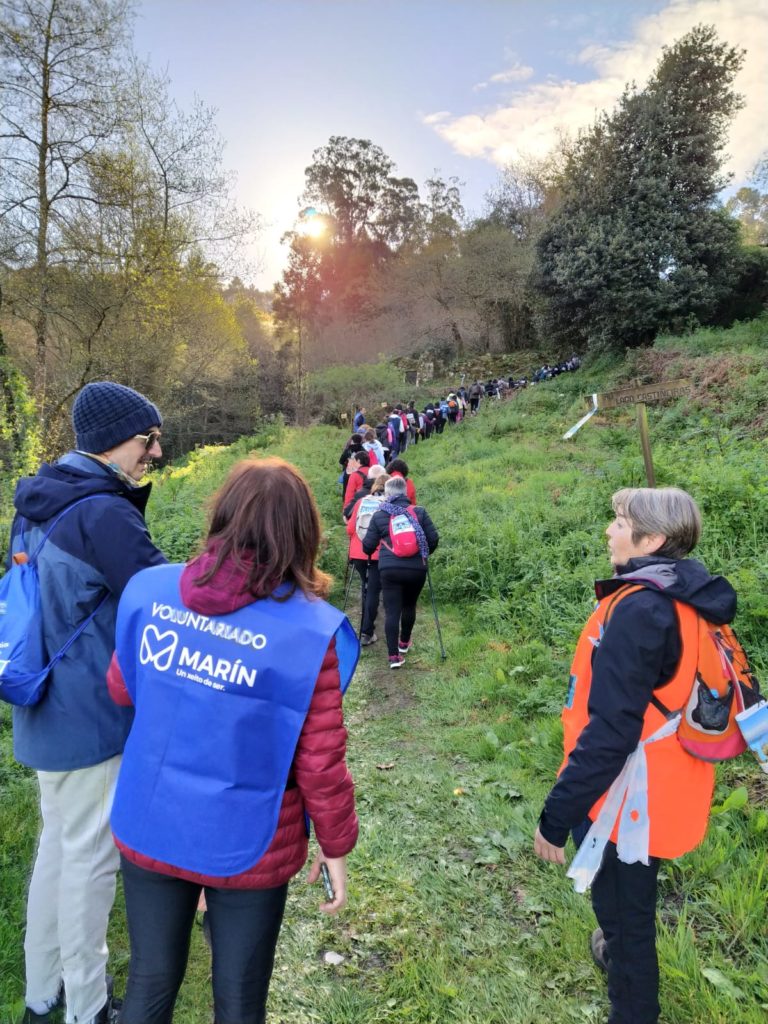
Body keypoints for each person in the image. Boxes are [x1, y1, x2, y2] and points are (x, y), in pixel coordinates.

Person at [107, 457, 359, 1024]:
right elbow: (320, 762)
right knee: (240, 1001)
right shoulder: (308, 633)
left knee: (148, 980)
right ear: (303, 534)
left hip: (154, 820)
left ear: (222, 515)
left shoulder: (149, 592)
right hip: (252, 840)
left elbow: (122, 688)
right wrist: (336, 846)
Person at [533, 487, 737, 1024]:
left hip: (629, 801)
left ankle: (633, 1003)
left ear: (653, 539)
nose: (608, 530)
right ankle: (613, 948)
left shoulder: (642, 611)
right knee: (626, 909)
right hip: (668, 786)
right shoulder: (686, 593)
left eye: (619, 521)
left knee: (630, 925)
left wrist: (555, 818)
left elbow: (611, 734)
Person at [8, 381, 167, 1024]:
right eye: (147, 440)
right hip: (92, 720)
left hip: (43, 706)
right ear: (116, 441)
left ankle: (41, 995)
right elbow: (163, 600)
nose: (153, 454)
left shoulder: (38, 503)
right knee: (91, 864)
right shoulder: (104, 513)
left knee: (59, 848)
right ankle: (87, 1006)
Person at [362, 475, 439, 669]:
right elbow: (433, 538)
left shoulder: (380, 515)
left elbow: (368, 546)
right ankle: (404, 643)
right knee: (409, 605)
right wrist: (423, 552)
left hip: (389, 569)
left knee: (392, 611)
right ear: (405, 492)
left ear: (387, 494)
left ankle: (394, 657)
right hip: (416, 569)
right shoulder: (419, 512)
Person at [346, 473, 389, 646]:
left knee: (366, 588)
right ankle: (366, 632)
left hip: (358, 552)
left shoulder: (361, 502)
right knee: (372, 591)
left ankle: (365, 630)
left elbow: (350, 529)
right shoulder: (387, 505)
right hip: (378, 553)